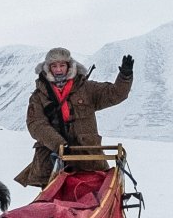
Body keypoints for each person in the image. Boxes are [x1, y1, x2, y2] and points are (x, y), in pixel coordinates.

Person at [15, 46, 133, 190]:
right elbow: (36, 125)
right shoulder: (38, 96)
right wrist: (59, 145)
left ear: (69, 66)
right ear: (48, 68)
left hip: (88, 158)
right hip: (53, 162)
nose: (58, 70)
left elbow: (115, 94)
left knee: (93, 197)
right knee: (54, 198)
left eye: (62, 65)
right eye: (54, 66)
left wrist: (125, 77)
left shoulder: (87, 89)